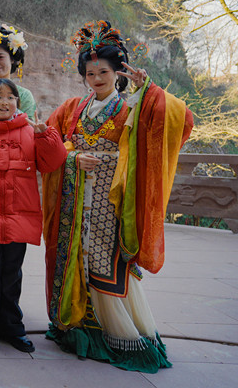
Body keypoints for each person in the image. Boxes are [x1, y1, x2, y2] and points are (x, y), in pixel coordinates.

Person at [42, 21, 193, 373]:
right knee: (75, 257)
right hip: (75, 198)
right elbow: (52, 139)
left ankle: (119, 334)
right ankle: (76, 326)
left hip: (112, 204)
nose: (97, 78)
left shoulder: (132, 107)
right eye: (91, 73)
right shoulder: (72, 109)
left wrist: (149, 89)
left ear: (117, 73)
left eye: (104, 72)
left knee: (106, 264)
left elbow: (179, 121)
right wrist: (73, 156)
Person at [0, 78, 66, 354]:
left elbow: (53, 162)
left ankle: (11, 324)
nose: (4, 102)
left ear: (17, 103)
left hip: (18, 215)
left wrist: (45, 135)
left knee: (11, 273)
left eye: (10, 97)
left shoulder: (29, 130)